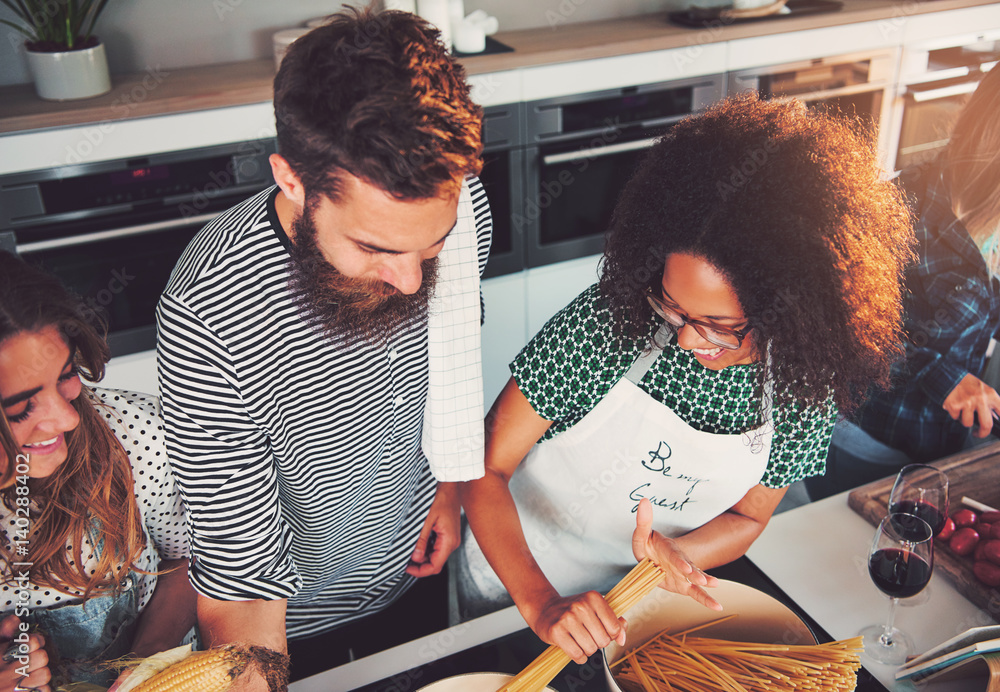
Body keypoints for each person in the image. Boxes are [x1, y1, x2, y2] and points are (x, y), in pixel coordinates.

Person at [456, 94, 915, 663]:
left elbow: (749, 516)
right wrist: (540, 601)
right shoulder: (610, 324)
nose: (687, 340)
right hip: (513, 590)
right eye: (673, 309)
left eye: (719, 327)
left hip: (635, 614)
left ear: (792, 314)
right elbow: (485, 463)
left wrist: (676, 552)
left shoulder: (802, 384)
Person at [155, 6, 491, 683]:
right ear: (292, 181)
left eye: (432, 246)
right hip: (288, 625)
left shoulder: (461, 208)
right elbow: (243, 588)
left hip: (418, 564)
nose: (410, 279)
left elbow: (453, 368)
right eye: (375, 248)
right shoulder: (206, 315)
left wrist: (449, 489)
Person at [0, 251, 195, 691]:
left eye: (66, 376)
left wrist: (139, 675)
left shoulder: (134, 435)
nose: (67, 420)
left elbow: (188, 562)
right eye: (19, 407)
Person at [806, 66, 1000, 501]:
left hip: (944, 441)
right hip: (870, 436)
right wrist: (944, 377)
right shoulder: (894, 213)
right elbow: (840, 331)